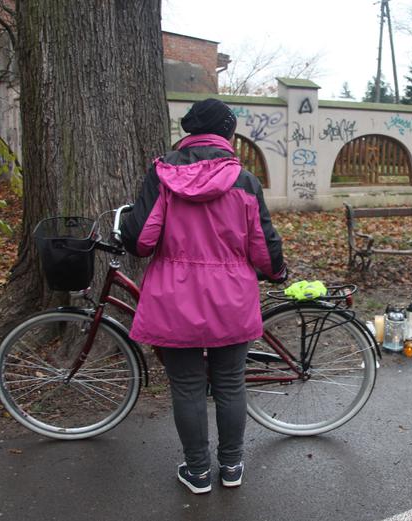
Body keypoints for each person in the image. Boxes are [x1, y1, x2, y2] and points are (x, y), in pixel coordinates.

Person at [120, 98, 287, 494]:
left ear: (190, 132)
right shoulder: (244, 181)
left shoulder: (162, 175)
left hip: (173, 298)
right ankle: (231, 467)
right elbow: (263, 245)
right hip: (231, 297)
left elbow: (140, 241)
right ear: (228, 134)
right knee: (230, 383)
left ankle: (197, 472)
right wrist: (278, 273)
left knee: (188, 386)